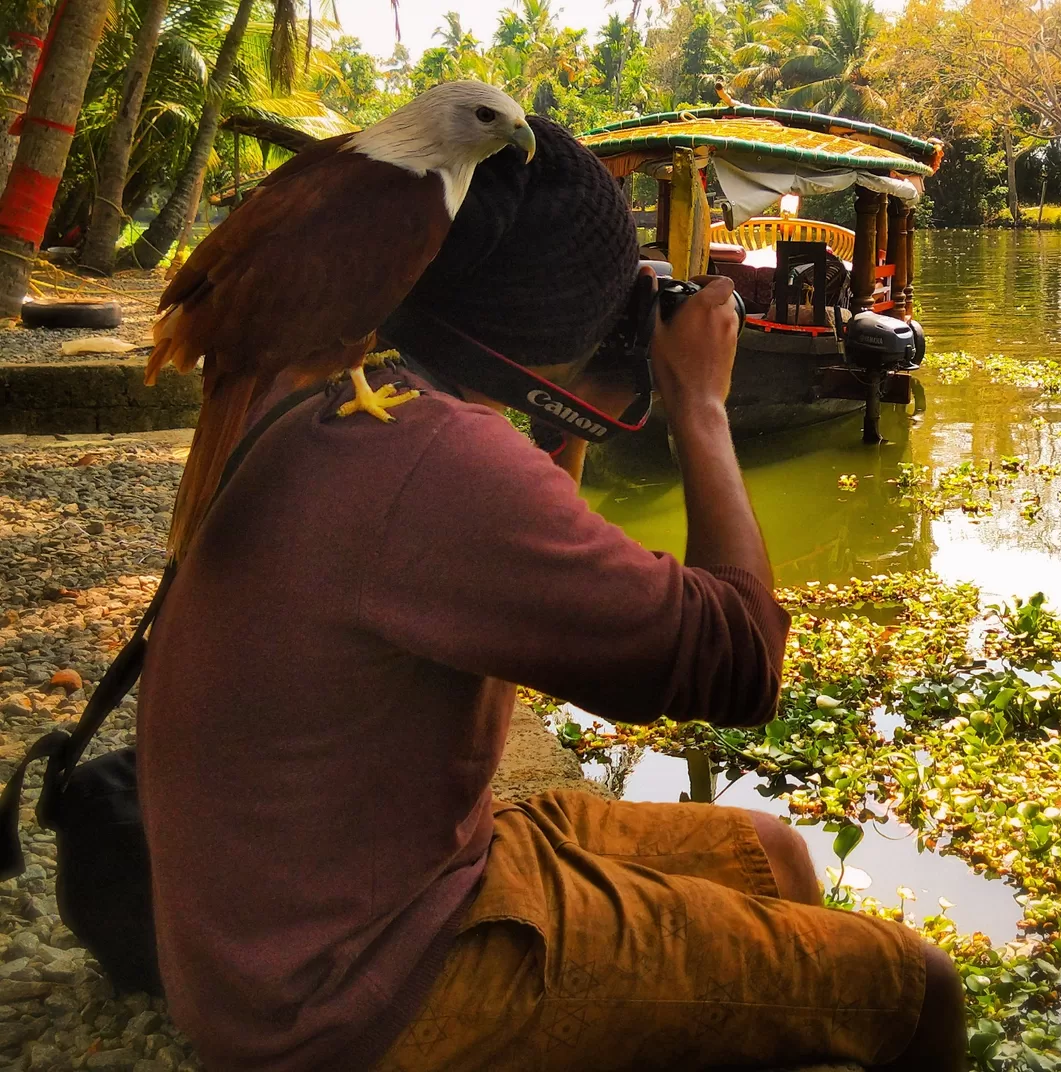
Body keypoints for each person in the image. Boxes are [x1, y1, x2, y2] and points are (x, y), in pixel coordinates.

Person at [135, 116, 965, 1072]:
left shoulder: (346, 386)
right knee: (919, 988)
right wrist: (697, 404)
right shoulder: (434, 461)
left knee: (770, 855)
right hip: (354, 994)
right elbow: (740, 662)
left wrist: (573, 397)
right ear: (558, 314)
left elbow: (519, 555)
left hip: (302, 920)